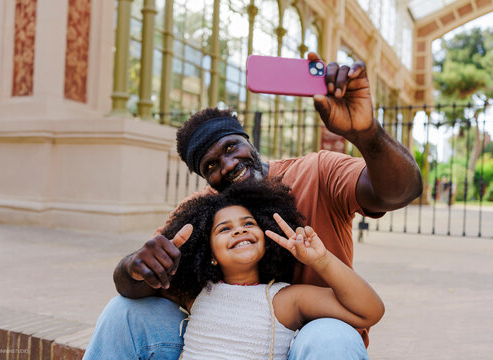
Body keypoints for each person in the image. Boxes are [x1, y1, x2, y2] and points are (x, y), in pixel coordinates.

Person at [83, 53, 422, 359]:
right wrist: (134, 266)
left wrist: (367, 134)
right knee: (122, 312)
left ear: (248, 140)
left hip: (312, 337)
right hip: (227, 345)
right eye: (211, 166)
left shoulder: (317, 171)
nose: (227, 165)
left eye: (231, 148)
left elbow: (398, 193)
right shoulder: (201, 213)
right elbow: (135, 283)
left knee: (330, 338)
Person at [156, 180, 383, 360]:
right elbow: (136, 288)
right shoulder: (196, 294)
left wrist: (322, 260)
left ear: (267, 240)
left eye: (248, 224)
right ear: (210, 254)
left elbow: (370, 311)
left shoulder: (283, 300)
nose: (239, 231)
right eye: (224, 229)